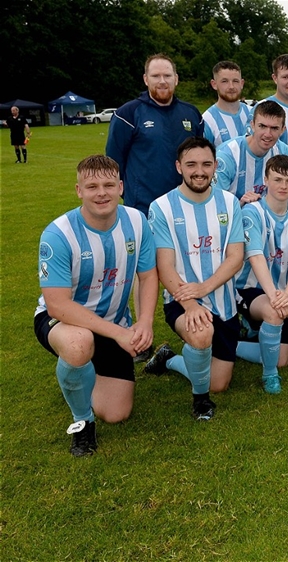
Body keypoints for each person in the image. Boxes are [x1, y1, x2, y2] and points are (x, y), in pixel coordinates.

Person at [35, 155, 158, 456]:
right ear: (79, 190)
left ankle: (79, 374)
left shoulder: (136, 222)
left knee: (116, 413)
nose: (101, 193)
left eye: (108, 185)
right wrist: (119, 333)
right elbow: (57, 305)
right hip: (64, 323)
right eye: (92, 186)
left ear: (120, 187)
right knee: (79, 343)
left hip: (115, 324)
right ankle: (82, 423)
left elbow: (148, 276)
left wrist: (144, 322)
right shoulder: (58, 234)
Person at [144, 137, 244, 420]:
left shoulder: (229, 202)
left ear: (215, 166)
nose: (199, 171)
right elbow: (165, 266)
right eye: (191, 164)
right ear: (178, 167)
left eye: (206, 164)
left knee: (219, 383)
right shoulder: (161, 207)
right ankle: (200, 401)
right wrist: (191, 304)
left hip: (224, 302)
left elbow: (236, 256)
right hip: (181, 300)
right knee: (201, 334)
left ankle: (170, 359)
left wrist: (206, 287)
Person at [232, 155, 288, 394]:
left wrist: (287, 294)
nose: (283, 186)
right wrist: (275, 297)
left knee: (282, 358)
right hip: (247, 289)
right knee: (274, 313)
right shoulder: (252, 213)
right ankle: (269, 375)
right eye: (277, 179)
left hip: (278, 292)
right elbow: (255, 257)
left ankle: (234, 341)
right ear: (265, 179)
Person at [106, 53, 204, 216]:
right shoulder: (127, 115)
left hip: (187, 205)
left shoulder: (192, 114)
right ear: (146, 79)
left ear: (176, 78)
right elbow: (113, 163)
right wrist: (130, 194)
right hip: (143, 209)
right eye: (155, 76)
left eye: (167, 75)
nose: (162, 81)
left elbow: (201, 157)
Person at [214, 100, 288, 205]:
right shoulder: (227, 155)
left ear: (282, 130)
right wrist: (242, 204)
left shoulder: (280, 149)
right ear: (252, 125)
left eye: (274, 128)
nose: (267, 134)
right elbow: (217, 206)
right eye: (262, 126)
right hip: (236, 219)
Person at [202, 61, 252, 147]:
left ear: (242, 83)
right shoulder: (207, 120)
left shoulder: (253, 113)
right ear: (214, 84)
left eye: (235, 81)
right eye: (224, 81)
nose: (231, 86)